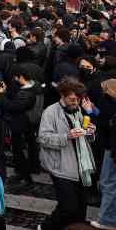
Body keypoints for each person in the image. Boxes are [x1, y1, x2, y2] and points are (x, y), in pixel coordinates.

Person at [38, 77, 98, 230]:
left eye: (78, 98)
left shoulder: (77, 109)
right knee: (68, 208)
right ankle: (45, 227)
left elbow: (84, 138)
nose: (75, 102)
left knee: (80, 209)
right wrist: (67, 136)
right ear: (62, 95)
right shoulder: (50, 112)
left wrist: (90, 132)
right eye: (72, 98)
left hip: (81, 167)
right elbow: (43, 138)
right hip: (61, 167)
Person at [0, 64, 41, 186]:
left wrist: (0, 94)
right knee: (27, 148)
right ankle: (27, 171)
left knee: (18, 151)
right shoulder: (34, 86)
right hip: (28, 123)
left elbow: (13, 106)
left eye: (15, 78)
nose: (14, 80)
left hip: (20, 125)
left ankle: (25, 177)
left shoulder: (26, 93)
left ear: (20, 77)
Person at [94, 78, 116, 230]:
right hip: (110, 148)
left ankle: (107, 220)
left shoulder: (109, 103)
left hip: (112, 149)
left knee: (108, 184)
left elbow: (104, 122)